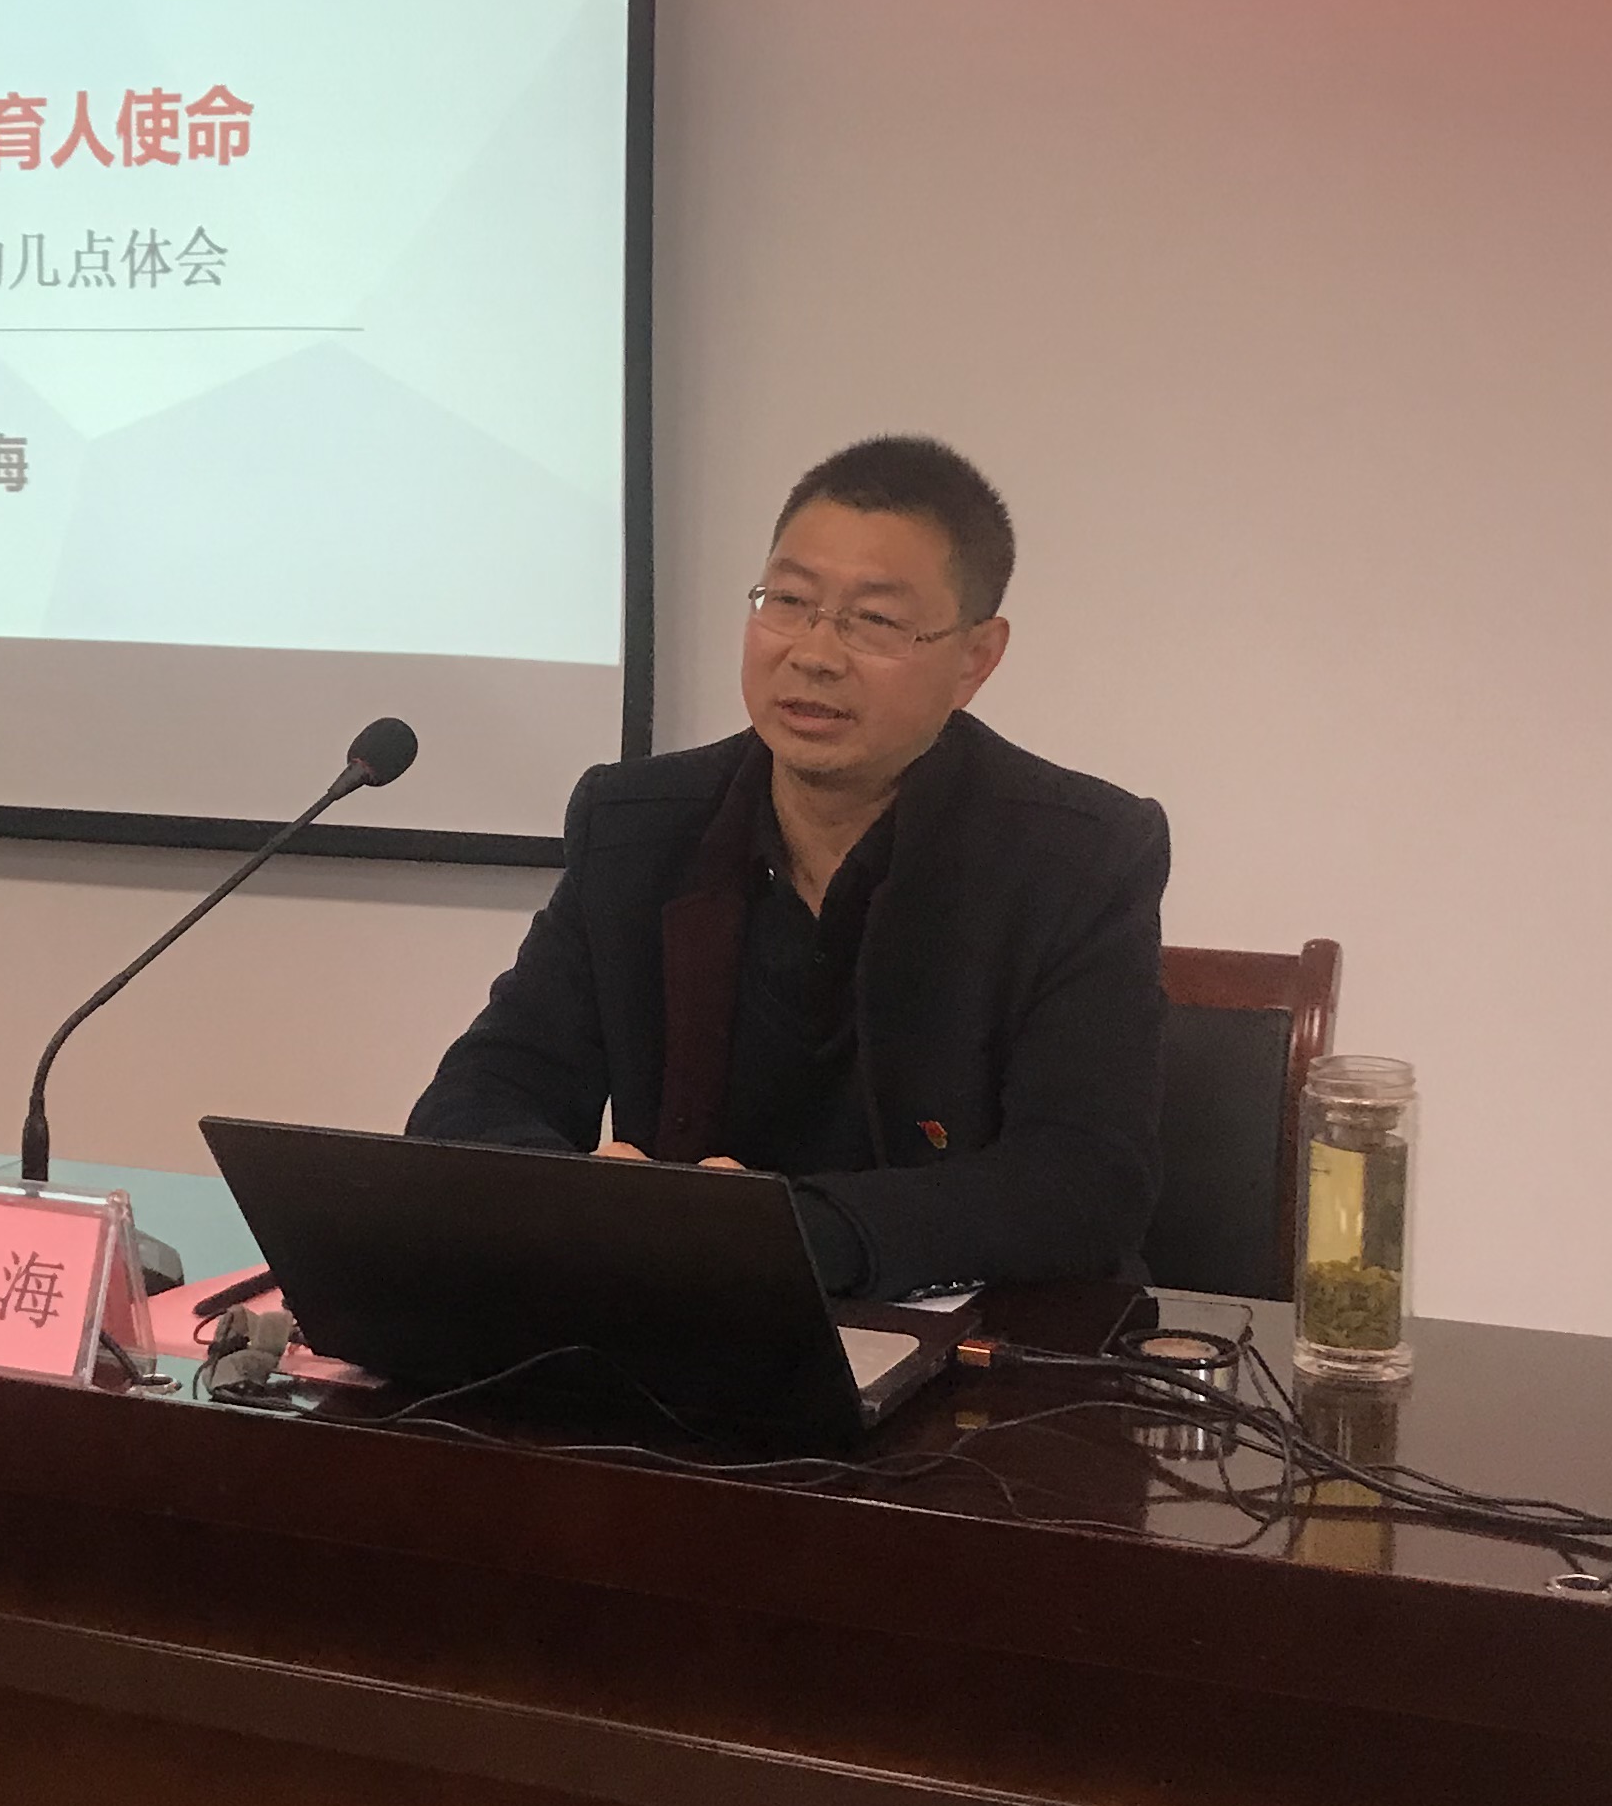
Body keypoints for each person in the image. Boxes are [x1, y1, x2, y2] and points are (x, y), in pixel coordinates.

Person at [410, 436, 1170, 1297]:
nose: (814, 653)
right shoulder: (636, 827)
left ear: (975, 658)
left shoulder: (1079, 855)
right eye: (790, 601)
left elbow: (1084, 1183)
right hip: (682, 1326)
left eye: (874, 621)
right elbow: (478, 1096)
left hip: (964, 1346)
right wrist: (588, 1202)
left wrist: (783, 1234)